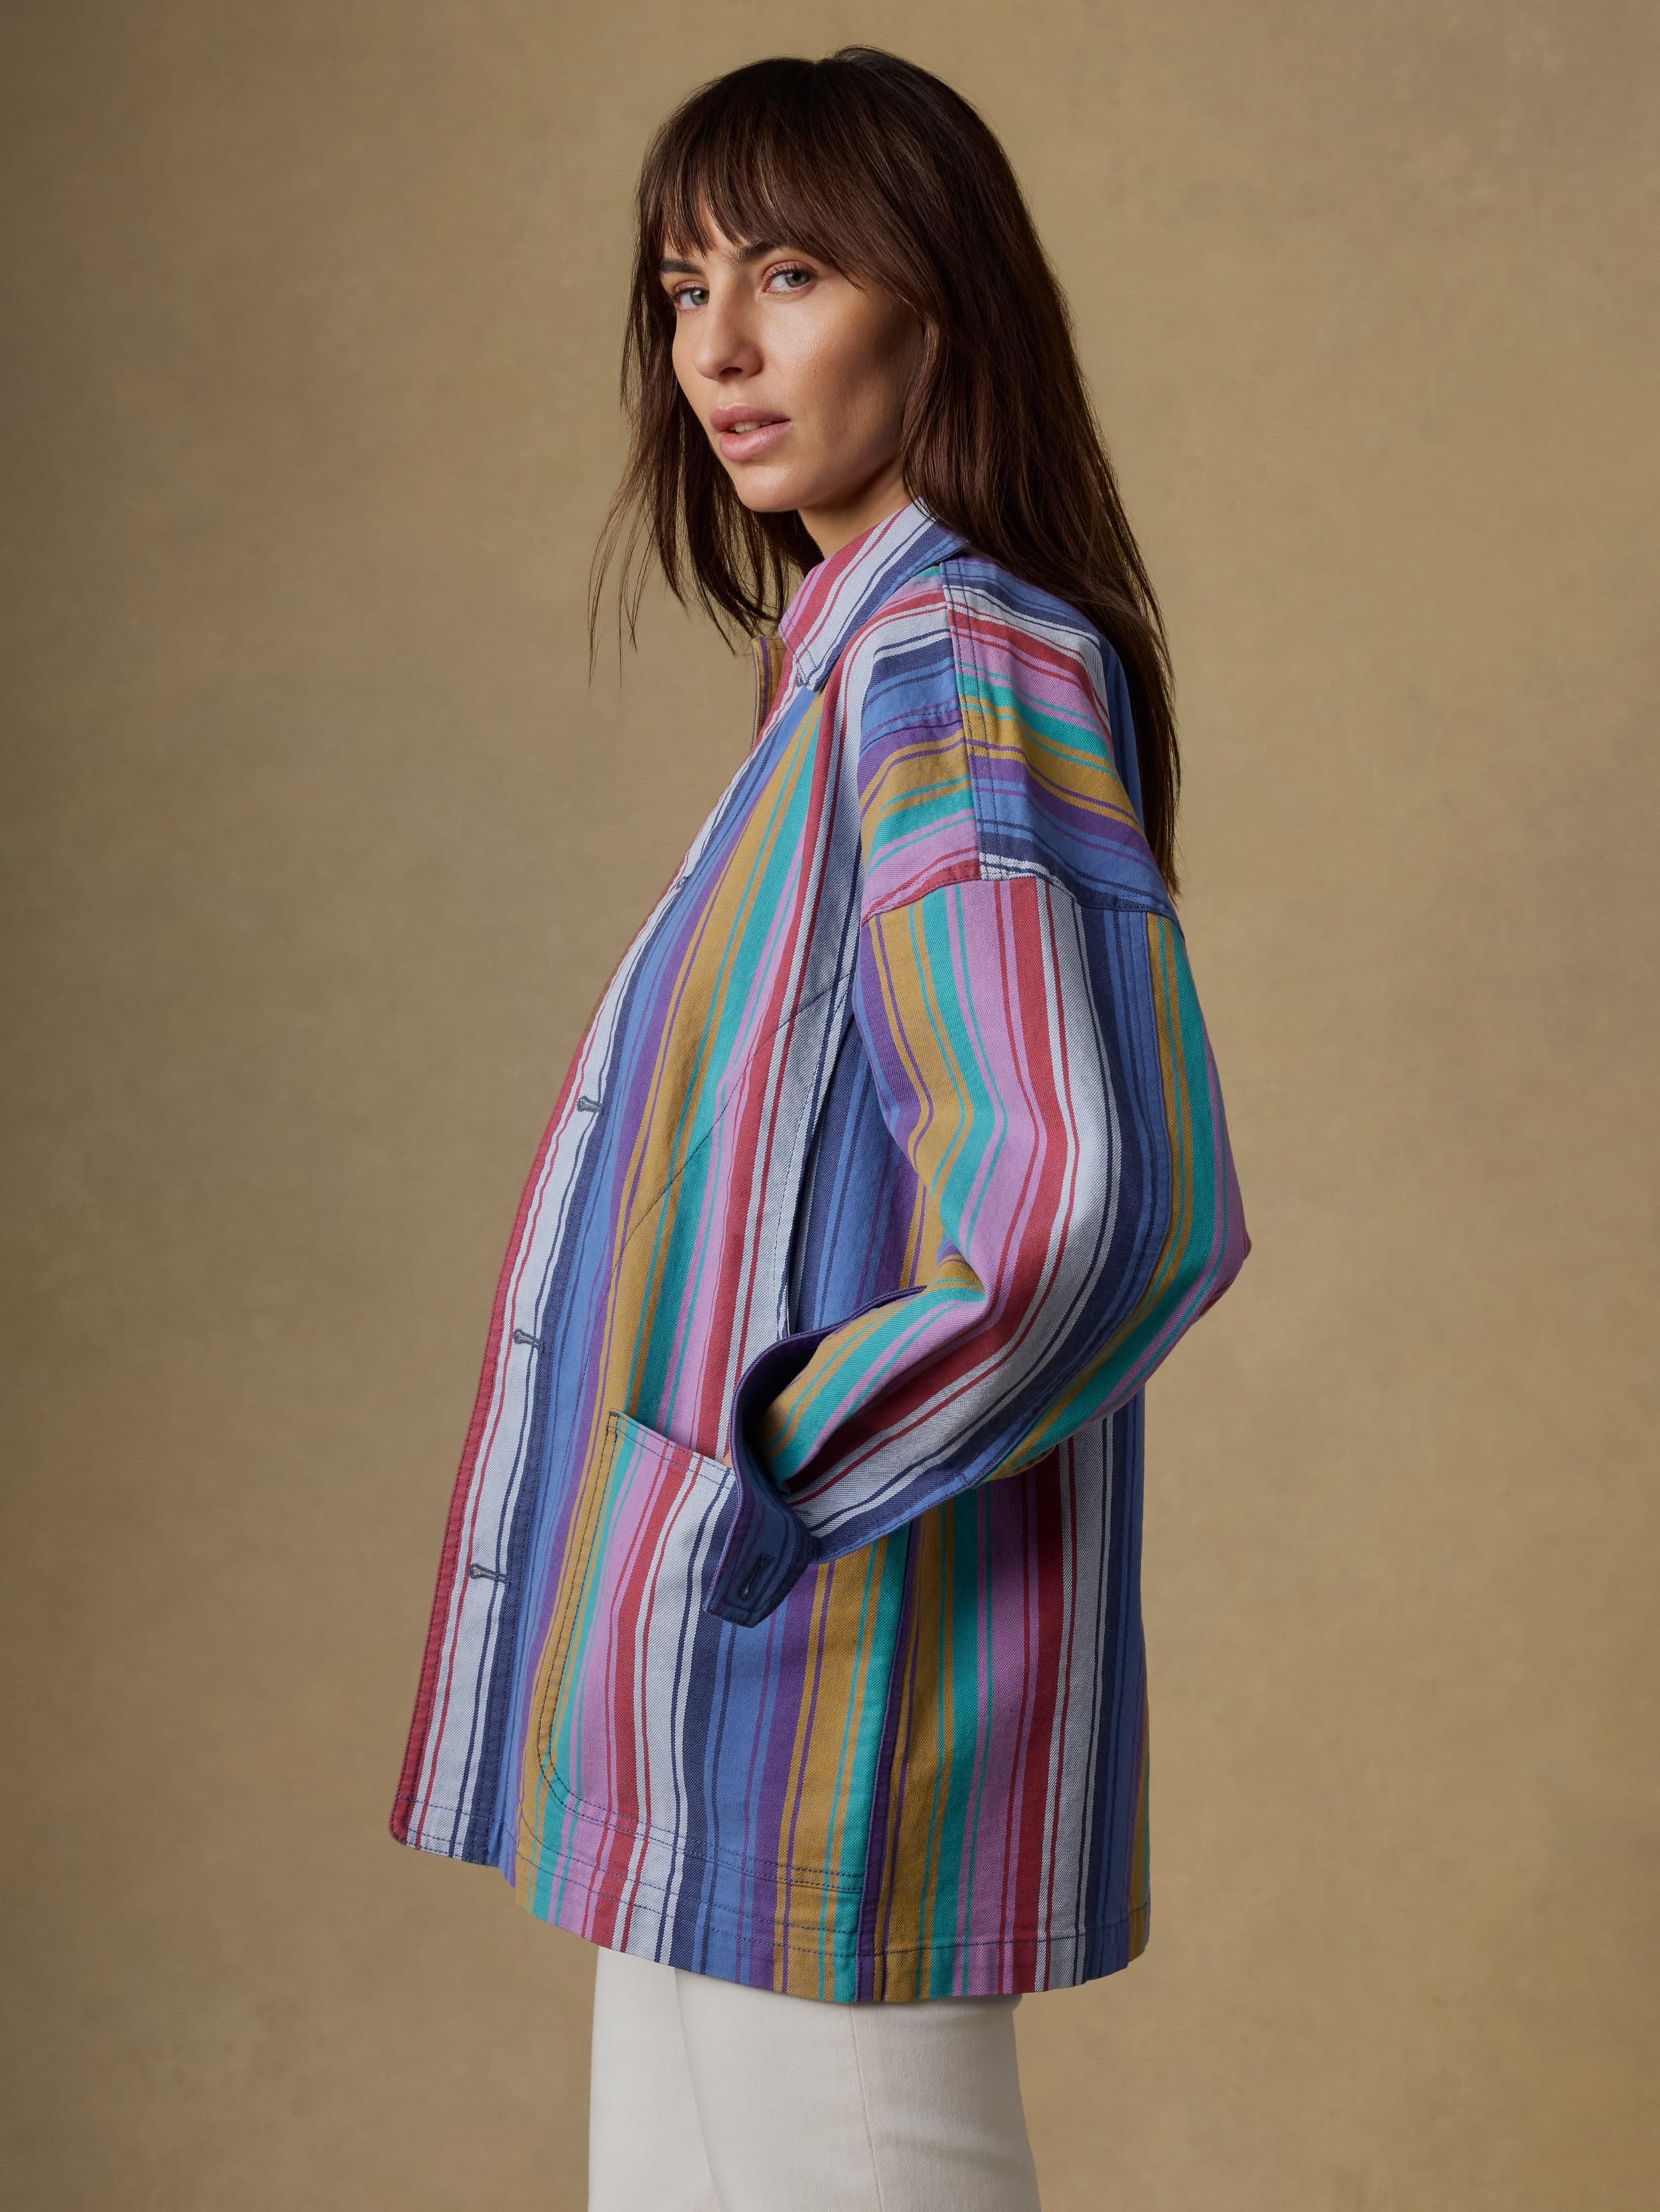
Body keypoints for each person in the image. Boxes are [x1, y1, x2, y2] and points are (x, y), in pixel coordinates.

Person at [388, 46, 1249, 2212]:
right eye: (684, 284)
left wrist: (766, 1483)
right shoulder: (847, 682)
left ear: (938, 303)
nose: (718, 346)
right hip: (720, 1729)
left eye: (788, 270)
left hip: (833, 1717)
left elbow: (1087, 1213)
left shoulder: (955, 664)